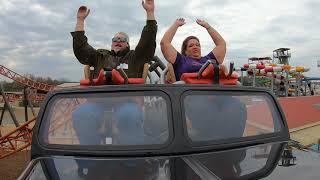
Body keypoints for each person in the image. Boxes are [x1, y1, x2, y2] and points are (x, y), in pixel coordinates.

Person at [71, 0, 157, 79]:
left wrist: (150, 12)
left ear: (127, 44)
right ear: (111, 43)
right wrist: (80, 20)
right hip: (101, 94)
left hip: (128, 94)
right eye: (115, 39)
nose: (118, 41)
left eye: (122, 39)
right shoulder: (100, 57)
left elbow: (147, 43)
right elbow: (81, 49)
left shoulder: (135, 57)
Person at [160, 18, 226, 81]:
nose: (195, 47)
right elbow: (164, 43)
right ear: (185, 51)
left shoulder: (209, 59)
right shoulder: (181, 60)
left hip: (211, 90)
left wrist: (208, 27)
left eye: (198, 45)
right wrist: (175, 25)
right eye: (191, 46)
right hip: (189, 91)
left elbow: (221, 44)